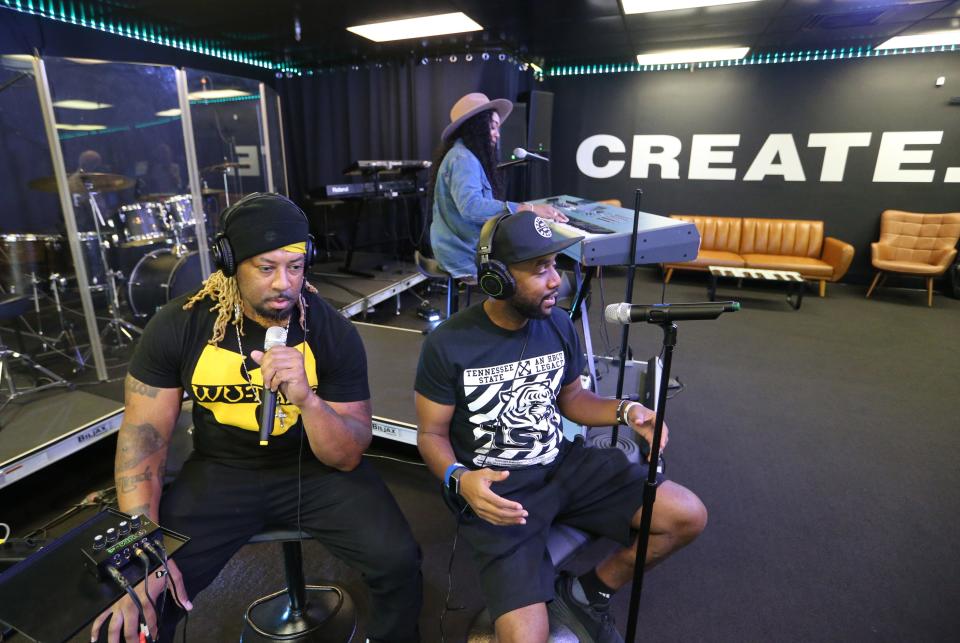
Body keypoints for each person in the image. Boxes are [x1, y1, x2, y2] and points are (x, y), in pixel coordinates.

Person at [90, 193, 422, 643]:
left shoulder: (330, 330)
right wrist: (143, 547)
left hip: (315, 470)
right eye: (266, 268)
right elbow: (142, 439)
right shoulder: (180, 325)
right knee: (141, 593)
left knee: (399, 561)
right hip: (222, 472)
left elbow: (346, 456)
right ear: (231, 262)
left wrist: (307, 400)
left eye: (295, 266)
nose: (284, 283)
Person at [414, 211, 707, 643]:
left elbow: (571, 399)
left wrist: (627, 411)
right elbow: (431, 435)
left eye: (555, 265)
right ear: (497, 277)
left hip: (564, 465)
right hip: (500, 489)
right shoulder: (448, 343)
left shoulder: (555, 323)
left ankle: (588, 591)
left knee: (686, 516)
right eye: (539, 269)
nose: (556, 281)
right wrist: (459, 479)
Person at [428, 92, 568, 283]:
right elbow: (471, 207)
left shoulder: (461, 154)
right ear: (476, 126)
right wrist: (526, 209)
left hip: (458, 249)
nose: (498, 133)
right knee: (525, 270)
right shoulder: (463, 158)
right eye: (493, 126)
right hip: (463, 255)